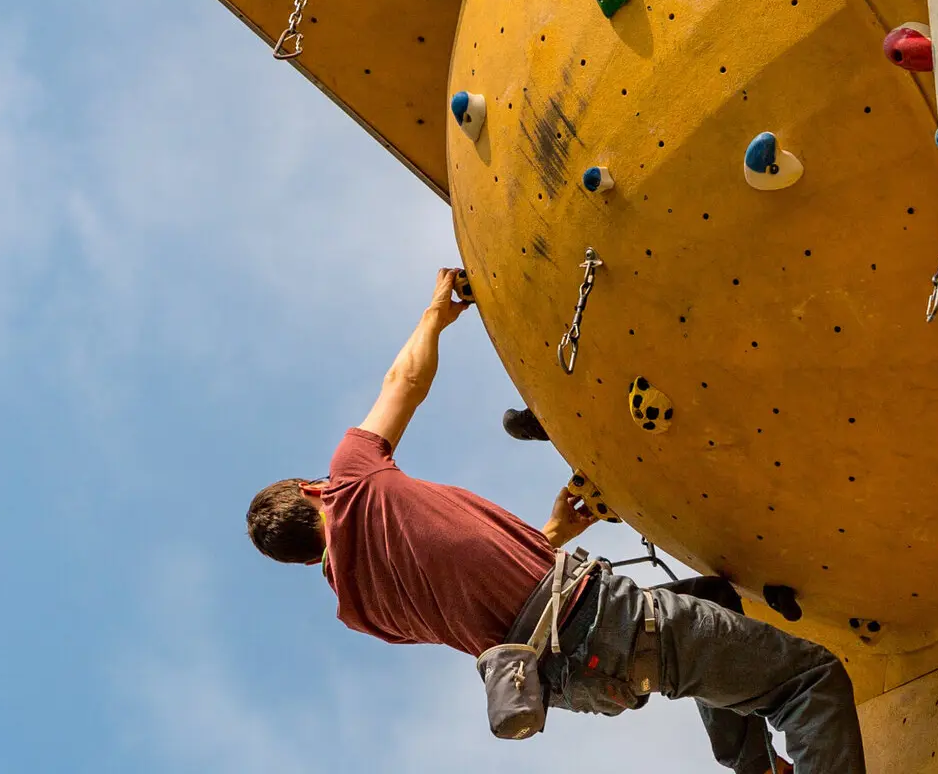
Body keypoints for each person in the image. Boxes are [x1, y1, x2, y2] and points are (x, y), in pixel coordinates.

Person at [244, 268, 868, 773]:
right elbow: (403, 381)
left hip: (578, 680)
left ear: (303, 560)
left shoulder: (361, 611)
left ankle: (756, 769)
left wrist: (551, 539)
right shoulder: (351, 480)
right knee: (810, 684)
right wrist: (437, 309)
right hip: (606, 621)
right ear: (310, 490)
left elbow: (478, 612)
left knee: (711, 599)